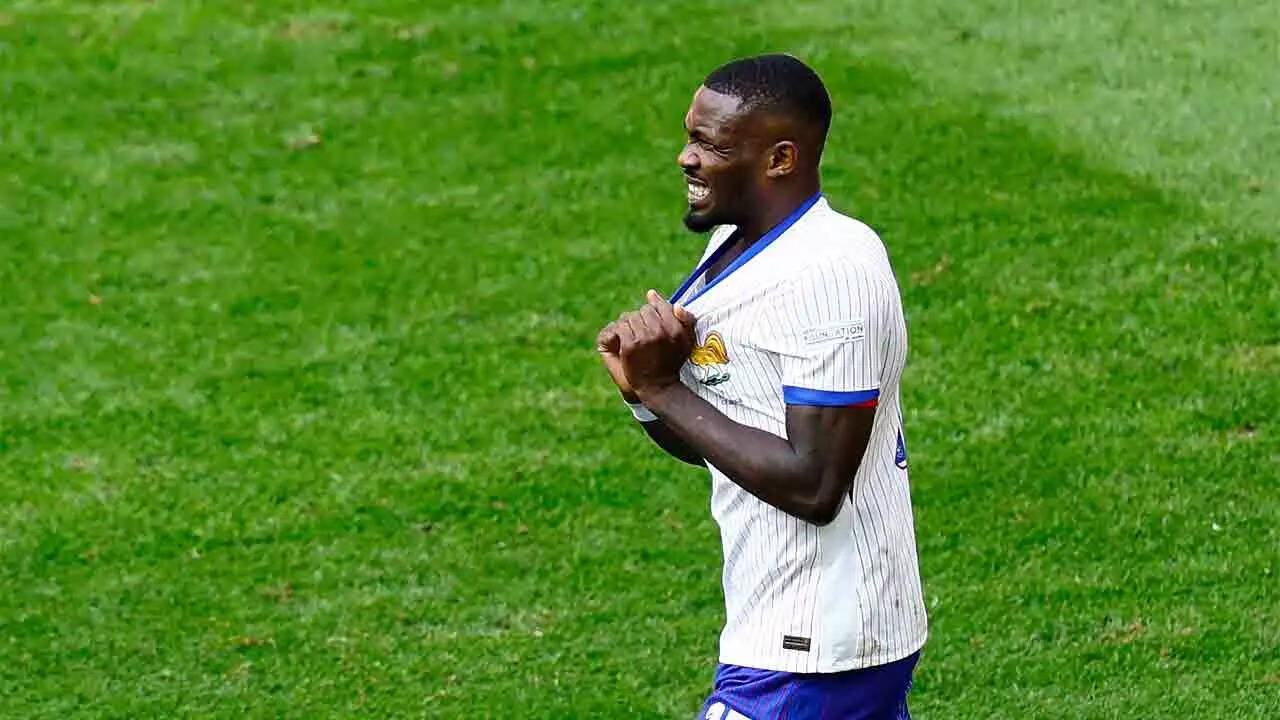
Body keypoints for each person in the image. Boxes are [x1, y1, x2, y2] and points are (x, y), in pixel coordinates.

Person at [596, 55, 927, 719]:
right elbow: (727, 440)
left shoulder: (830, 276)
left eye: (711, 146)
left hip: (813, 647)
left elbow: (814, 485)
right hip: (796, 633)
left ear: (780, 159)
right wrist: (644, 394)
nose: (687, 158)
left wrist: (665, 390)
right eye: (689, 137)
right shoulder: (735, 241)